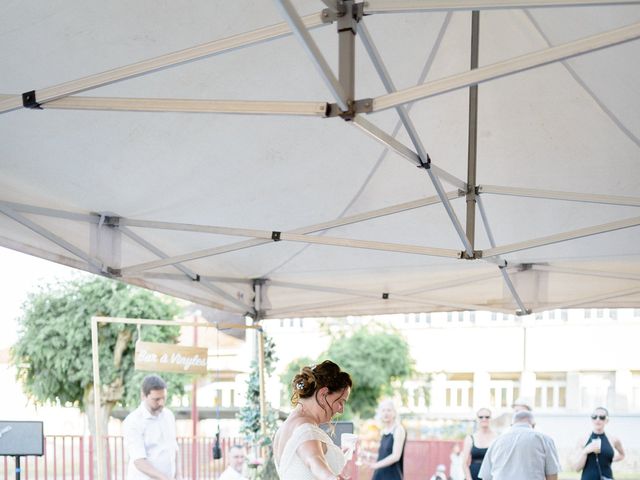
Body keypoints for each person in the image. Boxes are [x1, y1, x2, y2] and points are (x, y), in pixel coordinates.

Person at [273, 360, 353, 480]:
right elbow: (314, 461)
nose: (341, 410)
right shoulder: (306, 428)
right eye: (340, 401)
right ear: (323, 394)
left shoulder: (285, 428)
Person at [122, 374, 182, 480]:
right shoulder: (133, 421)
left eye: (164, 398)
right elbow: (139, 461)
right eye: (156, 399)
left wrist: (178, 476)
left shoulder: (168, 415)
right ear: (143, 396)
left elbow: (173, 449)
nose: (162, 403)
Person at [478, 410, 560, 480]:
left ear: (511, 425)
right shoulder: (545, 440)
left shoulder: (496, 441)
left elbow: (486, 476)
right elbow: (552, 474)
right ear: (533, 425)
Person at [573, 407, 625, 480]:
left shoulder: (613, 439)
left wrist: (610, 459)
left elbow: (622, 455)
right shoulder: (583, 440)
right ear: (591, 419)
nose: (598, 419)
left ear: (607, 420)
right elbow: (577, 468)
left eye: (602, 417)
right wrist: (585, 451)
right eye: (594, 417)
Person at [368, 399, 406, 480]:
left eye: (389, 410)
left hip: (392, 476)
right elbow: (384, 456)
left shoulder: (398, 429)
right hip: (379, 475)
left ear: (394, 413)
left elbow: (396, 456)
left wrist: (375, 465)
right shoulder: (384, 431)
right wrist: (368, 455)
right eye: (383, 410)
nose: (386, 413)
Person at [461, 408, 497, 480]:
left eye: (487, 417)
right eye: (481, 417)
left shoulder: (497, 438)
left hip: (491, 476)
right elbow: (464, 463)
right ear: (477, 419)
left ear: (491, 418)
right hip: (473, 476)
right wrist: (469, 478)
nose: (484, 419)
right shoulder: (470, 438)